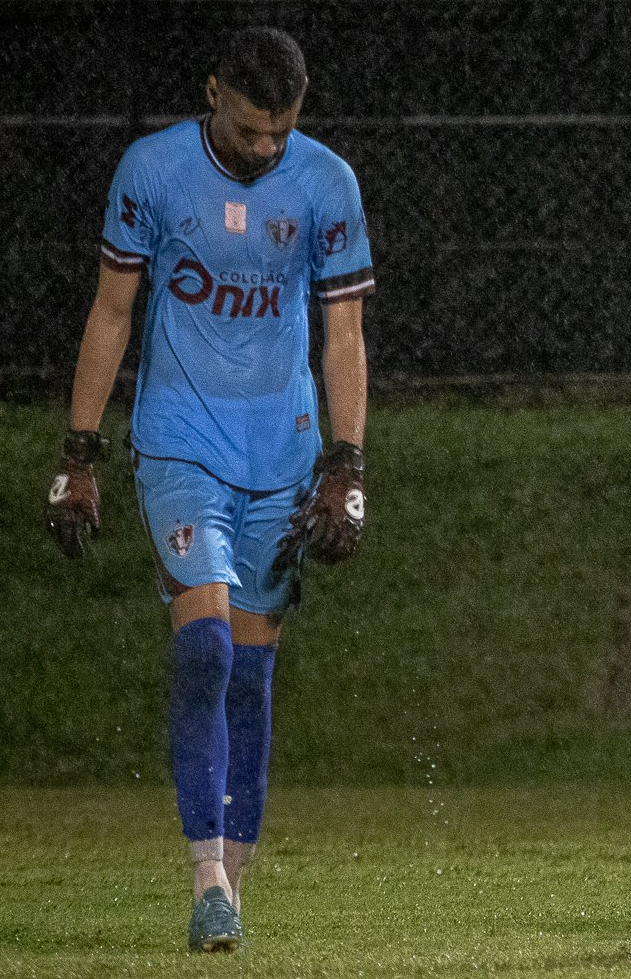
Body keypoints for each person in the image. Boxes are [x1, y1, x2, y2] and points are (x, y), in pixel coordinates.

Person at [43, 27, 375, 953]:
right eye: (248, 128)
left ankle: (234, 881)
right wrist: (80, 449)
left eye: (281, 132)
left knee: (253, 674)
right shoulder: (150, 172)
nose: (265, 148)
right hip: (179, 443)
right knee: (206, 649)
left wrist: (346, 462)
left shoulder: (327, 184)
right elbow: (113, 309)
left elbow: (342, 334)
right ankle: (206, 880)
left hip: (285, 450)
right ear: (213, 91)